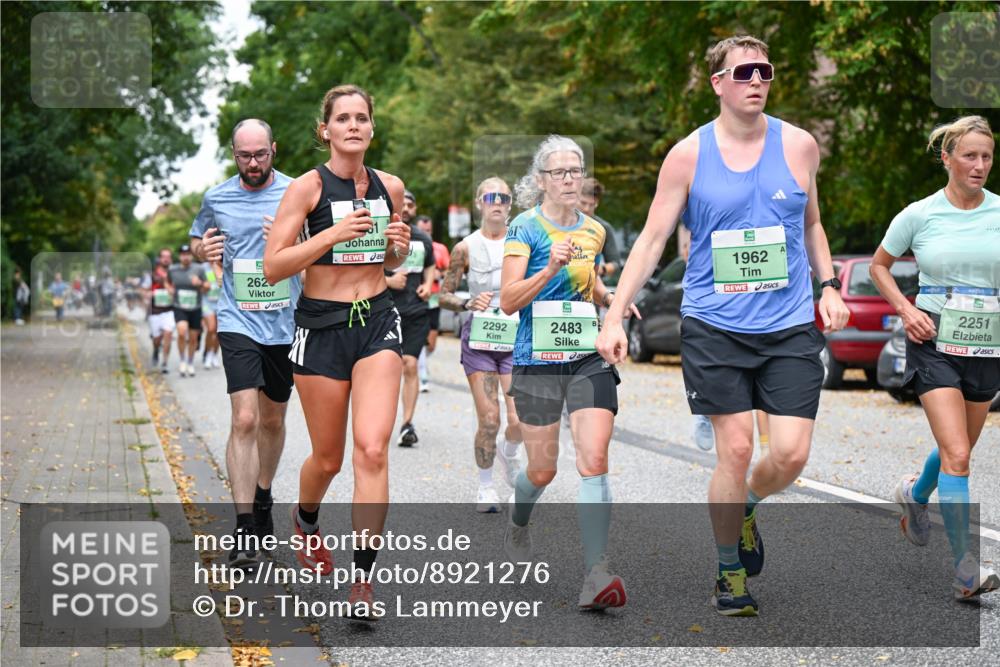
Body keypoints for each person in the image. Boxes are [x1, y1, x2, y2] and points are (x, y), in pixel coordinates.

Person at [596, 35, 849, 617]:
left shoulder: (801, 146)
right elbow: (654, 240)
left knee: (789, 454)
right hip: (714, 324)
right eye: (744, 72)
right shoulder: (688, 155)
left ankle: (750, 506)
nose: (757, 80)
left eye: (766, 71)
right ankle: (728, 571)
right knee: (734, 449)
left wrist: (830, 284)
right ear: (718, 83)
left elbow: (812, 224)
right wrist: (614, 315)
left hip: (787, 326)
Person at [264, 84, 410, 618]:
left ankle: (363, 583)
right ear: (324, 129)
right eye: (342, 118)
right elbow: (273, 266)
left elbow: (392, 262)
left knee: (372, 450)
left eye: (362, 117)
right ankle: (305, 520)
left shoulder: (390, 186)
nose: (353, 125)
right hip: (320, 327)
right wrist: (332, 234)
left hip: (376, 323)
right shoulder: (306, 188)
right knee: (328, 459)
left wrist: (397, 246)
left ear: (373, 127)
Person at [501, 135, 636, 611]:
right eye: (559, 172)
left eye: (576, 170)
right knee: (541, 469)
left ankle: (596, 573)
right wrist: (547, 268)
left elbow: (590, 280)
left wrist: (612, 302)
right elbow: (508, 299)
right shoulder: (525, 228)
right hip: (536, 358)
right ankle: (518, 525)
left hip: (584, 353)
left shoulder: (593, 231)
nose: (569, 179)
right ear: (541, 180)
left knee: (594, 460)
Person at [871, 115, 999, 600]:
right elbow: (880, 266)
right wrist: (905, 309)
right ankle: (966, 570)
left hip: (987, 344)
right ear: (946, 158)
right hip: (934, 340)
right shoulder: (919, 215)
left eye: (986, 157)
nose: (979, 165)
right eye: (969, 155)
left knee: (957, 447)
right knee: (960, 456)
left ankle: (915, 494)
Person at [191, 118, 300, 567]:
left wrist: (297, 237)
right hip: (237, 318)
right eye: (243, 156)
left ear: (274, 149)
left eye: (260, 155)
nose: (253, 164)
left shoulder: (299, 191)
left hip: (286, 322)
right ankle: (242, 528)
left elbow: (318, 245)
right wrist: (203, 251)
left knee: (272, 420)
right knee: (245, 418)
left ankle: (263, 495)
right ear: (233, 154)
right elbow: (197, 238)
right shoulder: (216, 197)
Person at [439, 176, 524, 513]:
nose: (498, 202)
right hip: (480, 338)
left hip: (516, 334)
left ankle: (510, 453)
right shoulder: (465, 248)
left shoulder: (522, 243)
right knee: (490, 419)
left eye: (504, 197)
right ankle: (486, 487)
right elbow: (443, 294)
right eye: (491, 196)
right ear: (479, 203)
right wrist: (466, 303)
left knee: (519, 421)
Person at [386, 193, 435, 446]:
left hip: (416, 311)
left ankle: (406, 424)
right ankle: (381, 422)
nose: (405, 208)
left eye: (410, 204)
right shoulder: (382, 233)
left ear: (415, 209)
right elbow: (362, 270)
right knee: (386, 370)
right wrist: (388, 280)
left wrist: (427, 285)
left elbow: (430, 267)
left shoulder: (423, 238)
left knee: (410, 365)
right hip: (385, 311)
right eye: (401, 203)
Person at [415, 214, 450, 393]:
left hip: (434, 299)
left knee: (431, 343)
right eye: (422, 230)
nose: (426, 233)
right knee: (419, 338)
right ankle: (421, 373)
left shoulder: (440, 249)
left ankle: (420, 360)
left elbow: (449, 270)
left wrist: (439, 274)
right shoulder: (412, 246)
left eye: (428, 231)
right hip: (417, 298)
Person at [170, 245, 207, 377]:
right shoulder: (173, 270)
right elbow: (167, 282)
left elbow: (207, 286)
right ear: (179, 256)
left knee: (193, 338)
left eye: (188, 254)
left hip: (195, 308)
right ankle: (182, 360)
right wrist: (169, 290)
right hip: (180, 307)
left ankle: (190, 362)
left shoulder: (199, 269)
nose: (185, 256)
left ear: (191, 255)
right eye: (183, 254)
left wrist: (200, 284)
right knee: (181, 332)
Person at [578, 178, 621, 278]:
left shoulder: (603, 228)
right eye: (583, 203)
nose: (586, 209)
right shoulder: (559, 222)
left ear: (597, 203)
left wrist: (600, 269)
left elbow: (616, 264)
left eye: (592, 205)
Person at [142, 249, 175, 373]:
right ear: (160, 259)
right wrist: (148, 294)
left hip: (169, 310)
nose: (166, 259)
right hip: (154, 311)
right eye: (163, 257)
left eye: (168, 257)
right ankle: (156, 350)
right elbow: (143, 290)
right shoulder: (151, 274)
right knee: (157, 339)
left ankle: (165, 363)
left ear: (171, 259)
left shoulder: (174, 273)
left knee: (168, 333)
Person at [201, 262, 222, 369]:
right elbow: (197, 286)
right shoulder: (203, 268)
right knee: (211, 329)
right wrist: (203, 286)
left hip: (220, 302)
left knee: (219, 331)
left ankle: (214, 354)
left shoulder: (223, 263)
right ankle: (208, 353)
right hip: (207, 302)